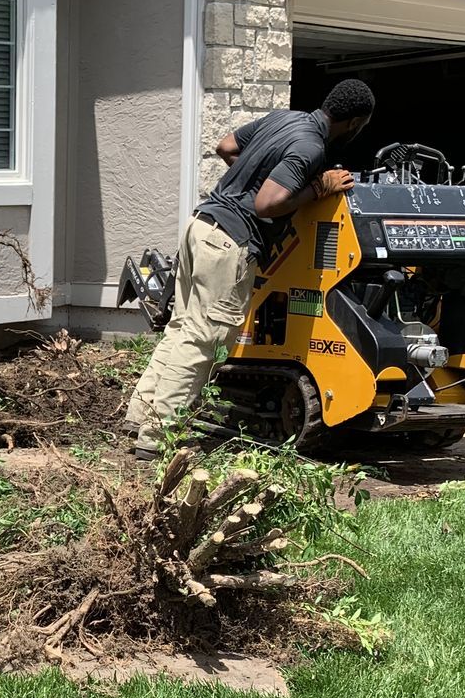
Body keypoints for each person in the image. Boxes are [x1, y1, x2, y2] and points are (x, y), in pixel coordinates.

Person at [124, 78, 376, 459]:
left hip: (201, 226)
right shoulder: (311, 147)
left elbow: (225, 146)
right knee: (203, 339)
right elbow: (268, 204)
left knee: (183, 327)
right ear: (355, 123)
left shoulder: (283, 119)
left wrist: (256, 179)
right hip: (229, 242)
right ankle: (156, 438)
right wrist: (318, 188)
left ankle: (139, 414)